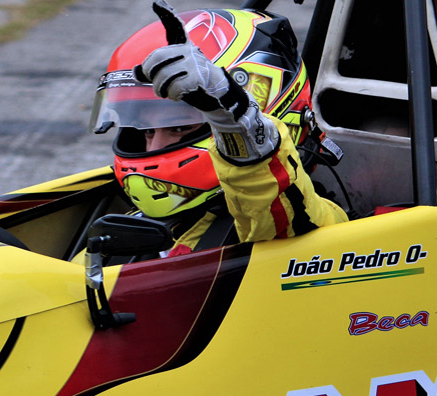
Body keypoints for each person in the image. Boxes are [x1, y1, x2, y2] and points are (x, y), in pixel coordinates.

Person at [90, 2, 347, 256]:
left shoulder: (313, 222)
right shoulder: (122, 226)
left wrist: (239, 122)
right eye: (146, 130)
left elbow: (270, 205)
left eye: (178, 126)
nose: (155, 147)